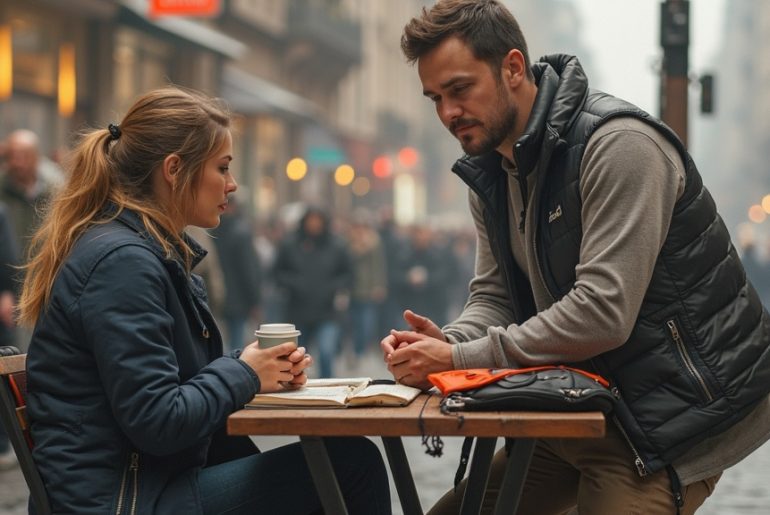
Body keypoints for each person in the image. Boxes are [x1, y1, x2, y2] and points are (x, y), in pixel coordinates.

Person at [380, 1, 770, 514]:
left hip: (674, 418)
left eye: (460, 89)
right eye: (435, 97)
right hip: (578, 406)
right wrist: (447, 341)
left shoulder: (620, 146)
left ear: (513, 68)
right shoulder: (491, 171)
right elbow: (496, 296)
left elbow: (602, 312)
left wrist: (457, 360)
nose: (447, 113)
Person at [17, 87, 391, 515]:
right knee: (352, 464)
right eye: (223, 168)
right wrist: (244, 371)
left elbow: (169, 385)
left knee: (337, 460)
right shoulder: (123, 262)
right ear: (174, 169)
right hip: (126, 501)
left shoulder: (142, 252)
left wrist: (253, 366)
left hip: (148, 484)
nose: (232, 185)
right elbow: (160, 420)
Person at [273, 206, 353, 378]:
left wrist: (333, 287)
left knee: (326, 352)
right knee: (296, 358)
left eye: (318, 220)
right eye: (311, 220)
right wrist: (294, 284)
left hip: (327, 311)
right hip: (298, 311)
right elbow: (277, 273)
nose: (314, 224)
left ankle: (328, 390)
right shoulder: (290, 244)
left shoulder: (336, 245)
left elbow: (347, 274)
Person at [211, 194, 263, 350]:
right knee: (236, 343)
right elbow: (248, 269)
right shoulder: (241, 232)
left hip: (216, 295)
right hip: (239, 299)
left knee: (220, 341)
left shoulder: (211, 231)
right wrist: (255, 300)